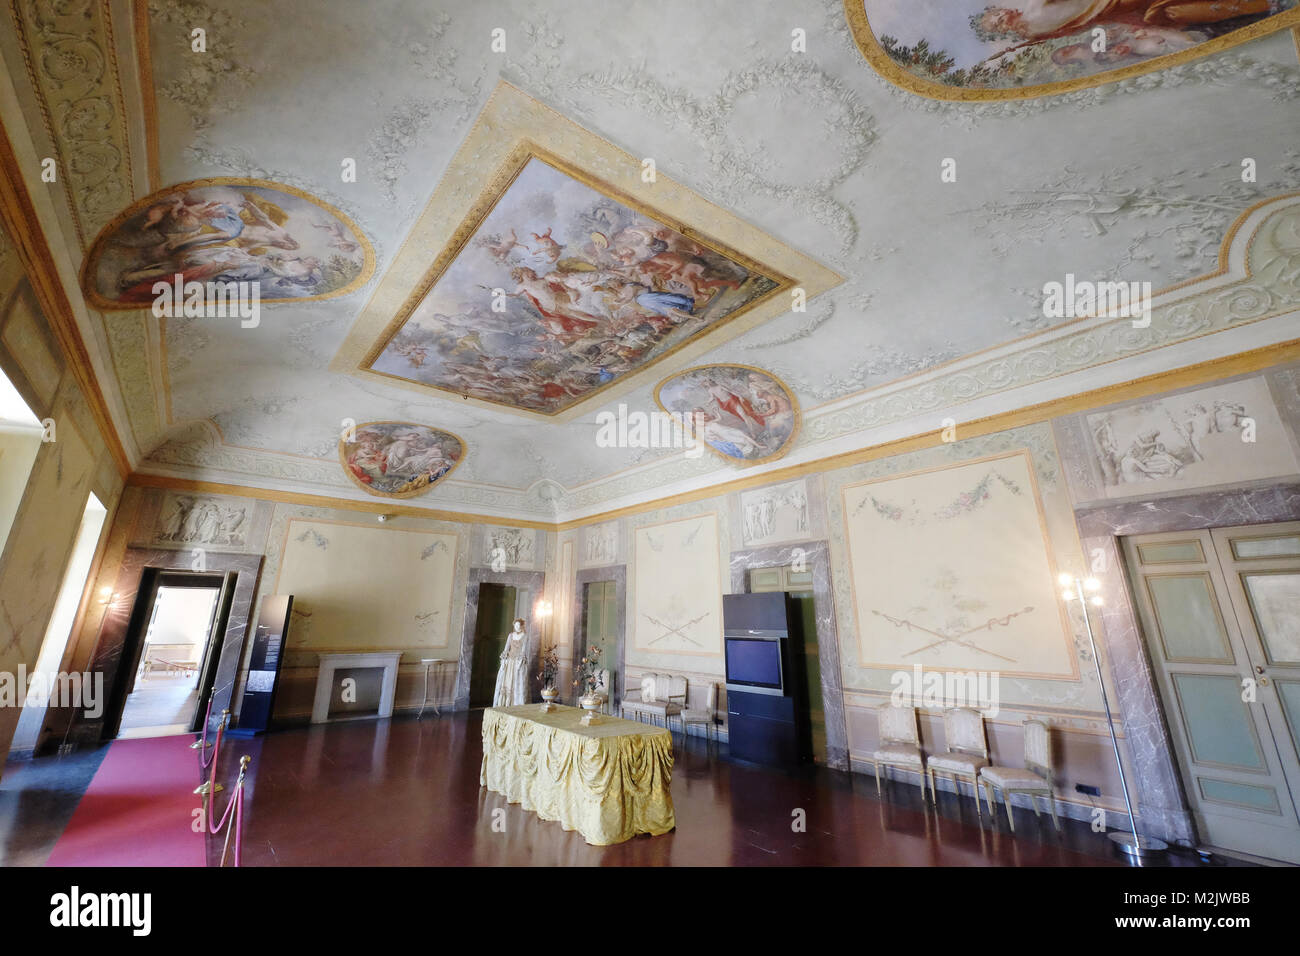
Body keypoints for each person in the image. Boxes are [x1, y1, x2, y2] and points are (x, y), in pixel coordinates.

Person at [492, 618, 531, 706]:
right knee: (507, 681)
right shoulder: (511, 635)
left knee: (517, 682)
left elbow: (523, 651)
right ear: (514, 626)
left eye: (519, 625)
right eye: (516, 625)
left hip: (518, 662)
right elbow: (506, 648)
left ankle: (515, 703)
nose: (517, 627)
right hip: (509, 662)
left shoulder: (525, 636)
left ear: (522, 626)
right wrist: (504, 659)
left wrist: (519, 662)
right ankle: (505, 704)